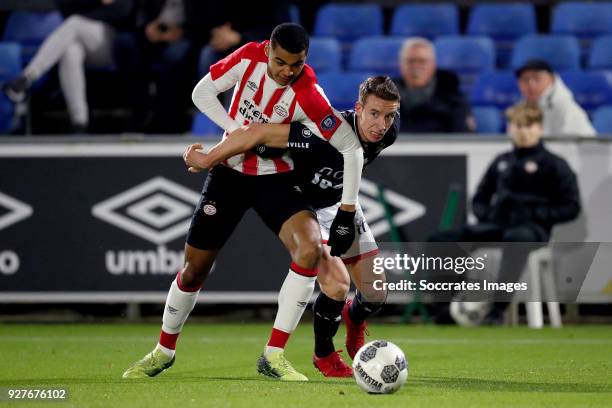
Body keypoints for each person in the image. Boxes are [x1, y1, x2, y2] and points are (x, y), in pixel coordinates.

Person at [122, 23, 364, 381]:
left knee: (311, 249)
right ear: (268, 50)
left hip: (277, 179)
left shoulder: (310, 93)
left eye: (295, 65)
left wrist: (346, 209)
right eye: (280, 62)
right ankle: (163, 351)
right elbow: (201, 93)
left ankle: (274, 355)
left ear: (305, 60)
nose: (286, 71)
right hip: (229, 175)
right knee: (193, 271)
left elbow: (351, 148)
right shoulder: (248, 56)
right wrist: (236, 130)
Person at [182, 76, 400, 377]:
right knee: (336, 284)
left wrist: (345, 212)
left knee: (376, 291)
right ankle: (324, 355)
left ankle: (353, 317)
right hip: (300, 204)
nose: (382, 124)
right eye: (374, 114)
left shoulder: (389, 132)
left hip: (341, 204)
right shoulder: (323, 131)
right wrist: (209, 158)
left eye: (389, 116)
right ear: (358, 108)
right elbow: (256, 132)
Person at [430, 102, 581, 324]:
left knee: (516, 239)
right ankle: (448, 307)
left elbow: (571, 207)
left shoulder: (554, 164)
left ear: (539, 128)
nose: (522, 131)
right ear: (510, 128)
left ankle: (497, 310)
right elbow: (479, 200)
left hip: (532, 229)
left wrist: (537, 212)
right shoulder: (502, 162)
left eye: (528, 125)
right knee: (442, 240)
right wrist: (488, 214)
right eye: (517, 125)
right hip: (498, 225)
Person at [3, 0, 134, 133]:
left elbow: (123, 11)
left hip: (117, 45)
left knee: (75, 23)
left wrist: (95, 10)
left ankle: (27, 77)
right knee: (71, 51)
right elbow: (64, 7)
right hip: (86, 41)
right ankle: (79, 122)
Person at [394, 37, 474, 133]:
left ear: (433, 65)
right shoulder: (385, 97)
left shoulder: (453, 97)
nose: (416, 67)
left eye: (422, 61)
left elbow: (464, 137)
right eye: (410, 61)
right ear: (401, 65)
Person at [516, 59, 596, 137]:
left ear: (552, 79)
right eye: (525, 80)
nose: (531, 85)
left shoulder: (568, 109)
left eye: (537, 78)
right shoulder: (519, 108)